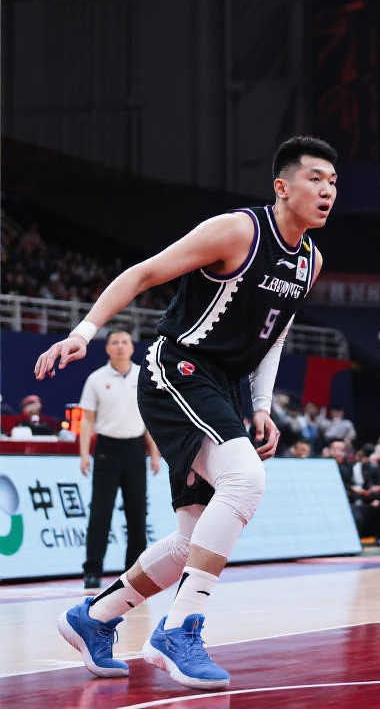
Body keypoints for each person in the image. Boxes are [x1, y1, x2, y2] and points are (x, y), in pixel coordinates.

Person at [37, 135, 337, 690]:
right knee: (245, 480)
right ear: (282, 186)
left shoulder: (310, 261)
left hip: (219, 387)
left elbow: (274, 336)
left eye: (333, 182)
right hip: (175, 368)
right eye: (314, 178)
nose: (327, 190)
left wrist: (262, 405)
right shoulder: (238, 231)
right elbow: (143, 273)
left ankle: (94, 617)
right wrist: (85, 331)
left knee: (191, 538)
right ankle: (179, 628)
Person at [79, 330, 162, 590]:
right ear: (107, 349)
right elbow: (87, 420)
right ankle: (92, 570)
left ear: (131, 347)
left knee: (137, 512)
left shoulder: (143, 376)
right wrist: (84, 454)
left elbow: (150, 418)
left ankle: (133, 572)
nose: (120, 346)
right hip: (106, 449)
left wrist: (155, 453)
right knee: (100, 512)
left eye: (124, 342)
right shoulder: (96, 379)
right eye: (114, 342)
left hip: (135, 449)